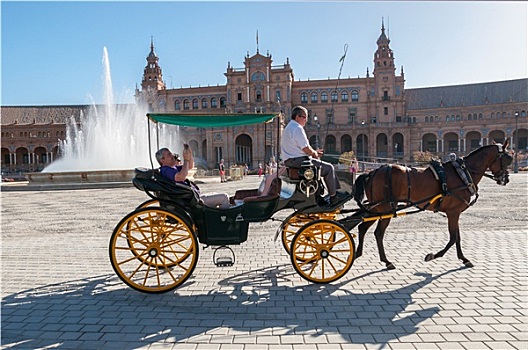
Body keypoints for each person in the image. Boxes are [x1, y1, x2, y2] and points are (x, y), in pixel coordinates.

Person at [281, 105, 346, 205]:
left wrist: (314, 152)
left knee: (321, 167)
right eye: (305, 117)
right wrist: (314, 153)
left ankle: (319, 194)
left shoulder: (288, 127)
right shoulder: (297, 128)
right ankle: (334, 196)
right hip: (299, 161)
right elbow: (305, 148)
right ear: (297, 117)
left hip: (291, 161)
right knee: (329, 168)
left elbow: (300, 147)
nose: (306, 120)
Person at [155, 146, 231, 209]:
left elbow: (190, 166)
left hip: (192, 198)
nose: (172, 156)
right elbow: (181, 176)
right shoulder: (166, 170)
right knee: (224, 197)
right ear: (162, 160)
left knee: (219, 195)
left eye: (171, 154)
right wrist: (186, 159)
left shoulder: (172, 168)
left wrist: (189, 154)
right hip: (192, 202)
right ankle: (224, 221)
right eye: (169, 155)